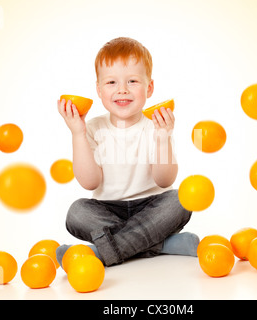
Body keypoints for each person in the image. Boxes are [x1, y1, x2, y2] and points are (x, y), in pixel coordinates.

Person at [56, 37, 199, 267]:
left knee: (180, 200)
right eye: (111, 82)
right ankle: (160, 244)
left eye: (132, 81)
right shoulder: (92, 128)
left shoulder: (156, 125)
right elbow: (90, 183)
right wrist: (77, 134)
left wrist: (162, 138)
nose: (122, 89)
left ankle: (102, 252)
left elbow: (165, 181)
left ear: (149, 87)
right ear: (99, 90)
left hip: (152, 205)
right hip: (107, 209)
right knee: (77, 212)